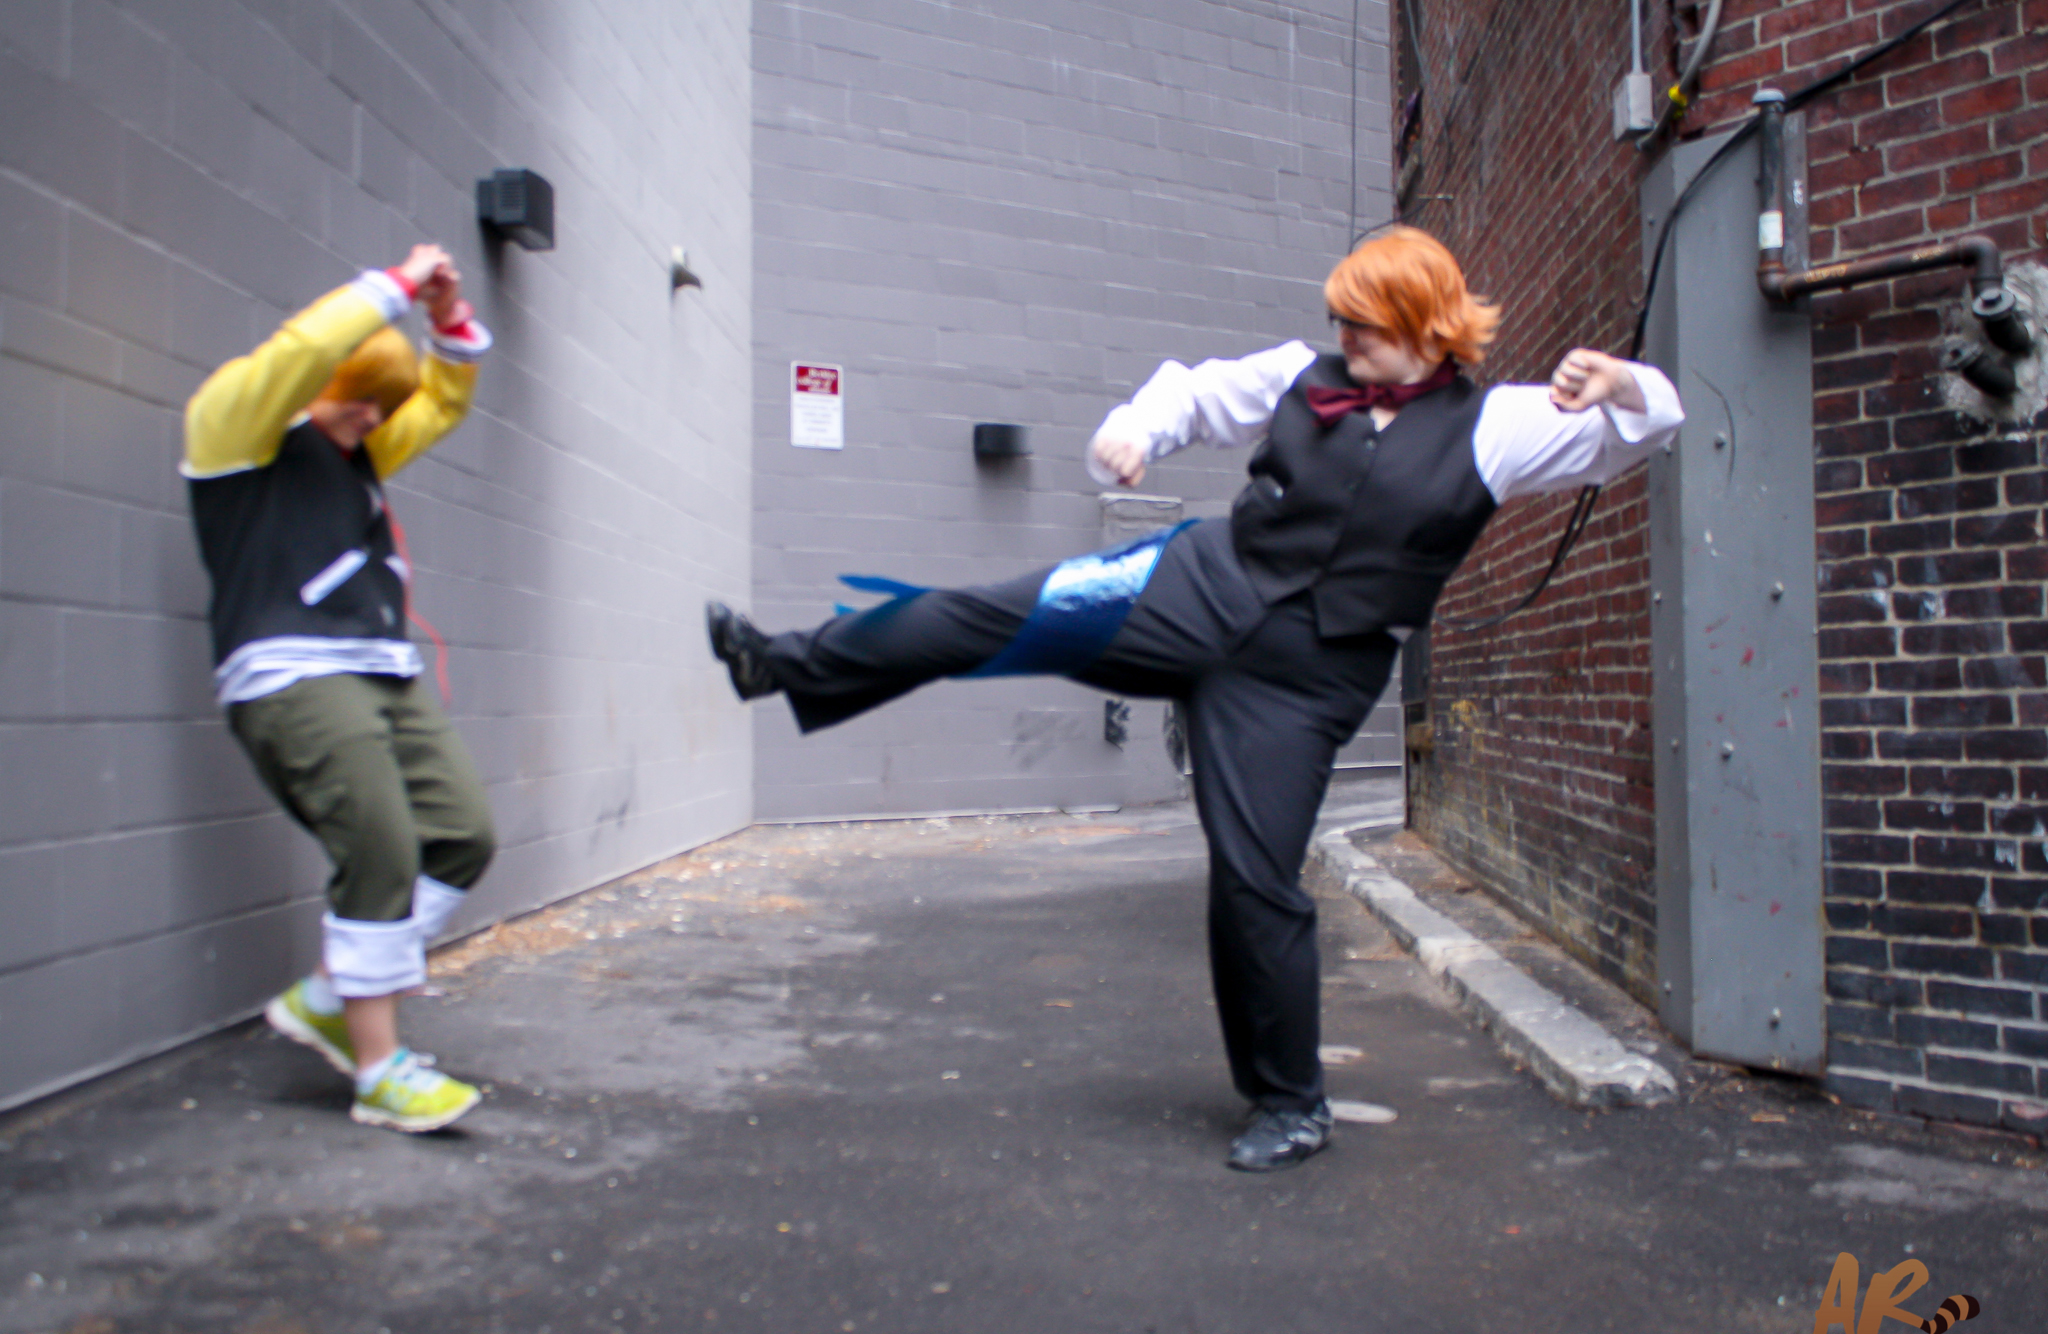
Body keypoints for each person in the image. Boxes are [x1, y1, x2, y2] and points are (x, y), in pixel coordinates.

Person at [709, 226, 1683, 1171]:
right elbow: (1194, 392)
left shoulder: (1498, 426)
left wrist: (1622, 382)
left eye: (1365, 324)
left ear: (1427, 327)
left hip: (1303, 680)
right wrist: (1136, 427)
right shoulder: (1300, 374)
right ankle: (782, 663)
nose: (1345, 337)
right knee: (991, 616)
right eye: (1339, 319)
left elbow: (1652, 425)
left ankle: (1290, 1105)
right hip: (1193, 587)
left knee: (1255, 879)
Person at [183, 244, 496, 1133]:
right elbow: (301, 352)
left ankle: (331, 993)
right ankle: (378, 1070)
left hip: (382, 667)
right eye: (357, 401)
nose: (370, 420)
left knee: (461, 834)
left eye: (379, 409)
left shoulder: (356, 441)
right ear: (326, 385)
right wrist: (394, 286)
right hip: (292, 670)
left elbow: (441, 403)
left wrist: (446, 320)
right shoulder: (235, 430)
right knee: (382, 849)